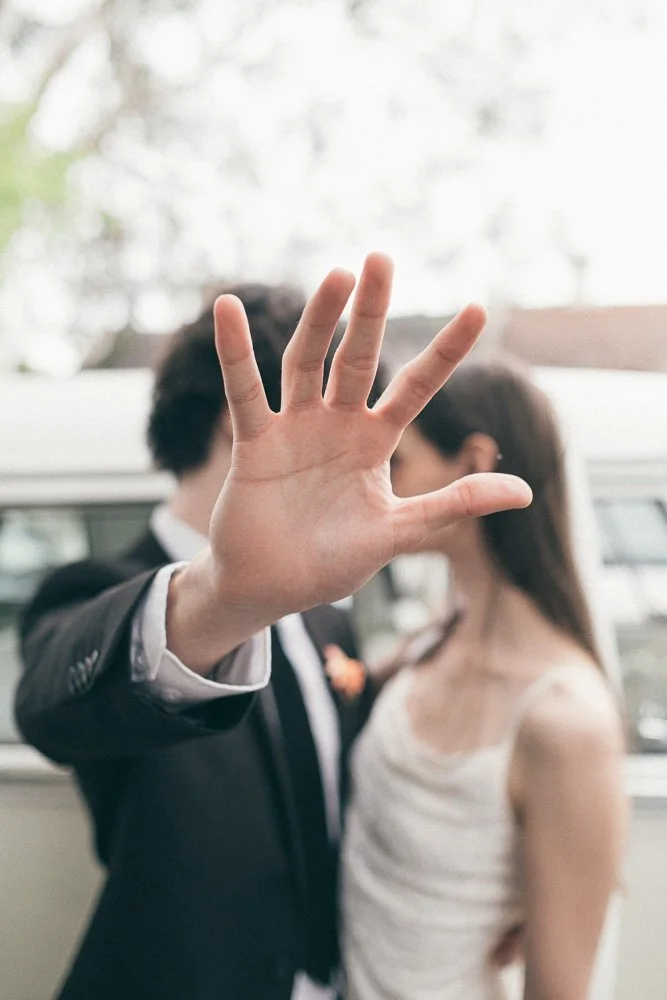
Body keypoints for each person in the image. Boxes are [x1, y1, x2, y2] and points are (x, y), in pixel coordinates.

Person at [15, 253, 532, 1000]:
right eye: (330, 411)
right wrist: (220, 599)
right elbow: (46, 705)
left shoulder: (327, 613)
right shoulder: (100, 591)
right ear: (246, 414)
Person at [342, 358, 627, 1000]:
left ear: (473, 463)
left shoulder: (564, 720)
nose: (375, 487)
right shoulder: (430, 640)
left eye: (396, 464)